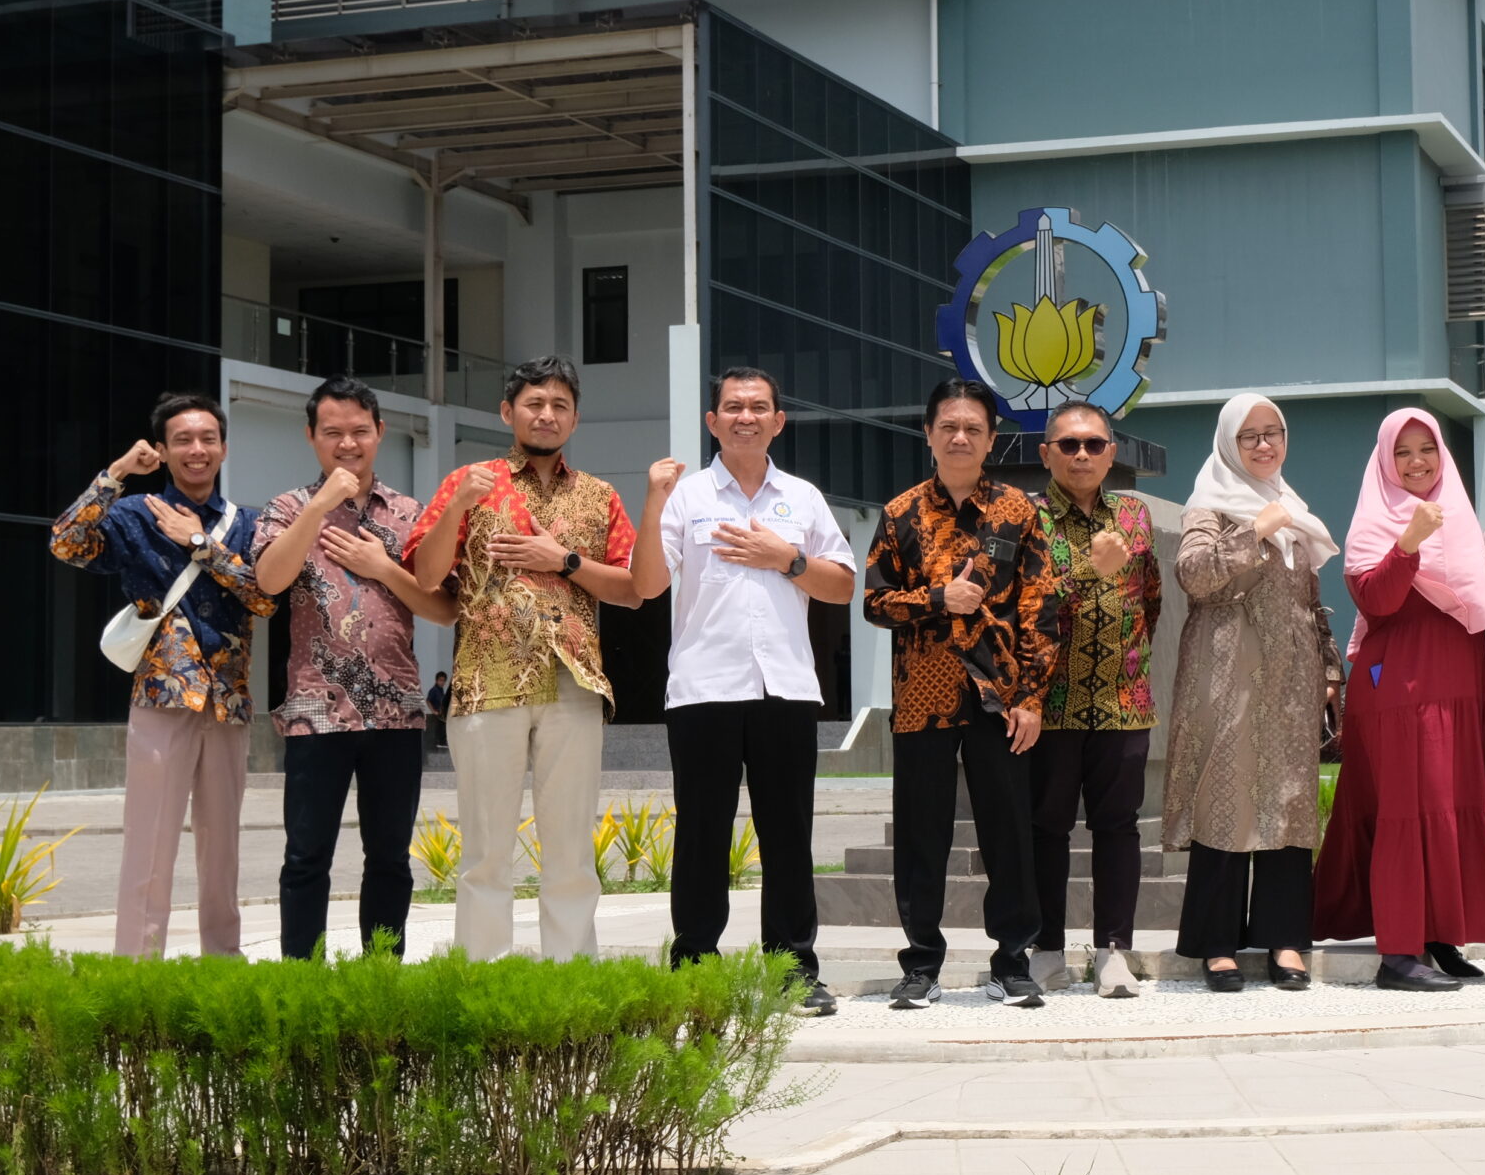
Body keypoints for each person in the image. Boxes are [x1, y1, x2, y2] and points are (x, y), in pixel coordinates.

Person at [634, 366, 857, 1017]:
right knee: (702, 834)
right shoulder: (687, 496)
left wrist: (783, 557)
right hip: (704, 686)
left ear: (778, 421)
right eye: (732, 407)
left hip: (785, 687)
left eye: (759, 407)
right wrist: (651, 501)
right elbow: (647, 585)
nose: (745, 417)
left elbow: (841, 585)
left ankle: (791, 970)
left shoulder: (804, 499)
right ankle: (696, 968)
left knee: (788, 833)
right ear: (713, 422)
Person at [407, 357, 638, 961]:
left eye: (560, 405)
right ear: (508, 412)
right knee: (485, 851)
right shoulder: (471, 480)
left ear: (575, 419)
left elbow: (632, 588)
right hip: (488, 683)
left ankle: (571, 977)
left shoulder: (599, 495)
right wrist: (457, 507)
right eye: (535, 403)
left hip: (574, 683)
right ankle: (484, 980)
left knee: (570, 849)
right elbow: (428, 577)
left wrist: (560, 559)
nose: (547, 414)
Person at [49, 392, 275, 958]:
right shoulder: (133, 515)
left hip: (228, 702)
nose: (196, 450)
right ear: (165, 450)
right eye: (183, 440)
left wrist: (198, 544)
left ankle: (222, 960)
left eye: (207, 439)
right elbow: (66, 543)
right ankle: (137, 965)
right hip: (160, 698)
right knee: (148, 842)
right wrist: (119, 472)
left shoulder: (248, 523)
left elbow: (265, 596)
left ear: (223, 447)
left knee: (221, 846)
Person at [862, 379, 1059, 1009]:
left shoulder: (1018, 513)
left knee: (1009, 832)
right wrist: (937, 598)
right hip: (921, 698)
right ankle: (920, 963)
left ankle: (1012, 960)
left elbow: (1042, 609)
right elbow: (872, 603)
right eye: (948, 426)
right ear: (928, 433)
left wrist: (1030, 697)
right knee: (922, 835)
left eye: (973, 428)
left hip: (999, 700)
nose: (960, 437)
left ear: (991, 440)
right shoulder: (899, 515)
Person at [250, 376, 456, 961]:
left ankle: (381, 977)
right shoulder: (287, 508)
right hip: (317, 713)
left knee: (390, 856)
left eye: (360, 431)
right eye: (333, 432)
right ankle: (302, 978)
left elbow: (445, 608)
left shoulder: (412, 514)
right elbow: (269, 580)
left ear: (380, 433)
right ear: (312, 436)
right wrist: (319, 507)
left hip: (397, 713)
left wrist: (384, 567)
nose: (348, 443)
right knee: (306, 855)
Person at [1312, 408, 1485, 991]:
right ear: (1384, 461)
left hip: (1460, 678)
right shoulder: (1375, 520)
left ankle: (1441, 936)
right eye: (1403, 451)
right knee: (1407, 809)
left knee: (1454, 799)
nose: (1417, 461)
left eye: (1427, 449)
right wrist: (1409, 543)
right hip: (1399, 683)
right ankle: (1398, 954)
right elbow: (1376, 601)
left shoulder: (1462, 514)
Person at [1163, 395, 1339, 992]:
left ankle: (1286, 940)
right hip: (1228, 677)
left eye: (1274, 434)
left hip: (1292, 682)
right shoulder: (1210, 506)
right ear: (1227, 445)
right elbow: (1194, 575)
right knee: (1228, 798)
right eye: (1250, 437)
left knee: (1289, 804)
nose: (1265, 446)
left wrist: (1331, 671)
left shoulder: (1294, 509)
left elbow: (1308, 603)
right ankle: (1218, 944)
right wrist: (1253, 534)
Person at [1028, 400, 1163, 1000]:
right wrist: (1088, 568)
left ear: (1112, 452)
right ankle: (1046, 950)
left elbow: (1149, 598)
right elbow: (1027, 607)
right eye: (1068, 445)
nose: (1081, 454)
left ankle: (1113, 952)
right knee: (1046, 830)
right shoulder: (1025, 516)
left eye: (1093, 444)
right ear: (1046, 453)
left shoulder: (1135, 514)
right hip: (1048, 703)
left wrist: (1129, 655)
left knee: (1119, 829)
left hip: (1122, 699)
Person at [426, 673, 451, 752]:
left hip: (442, 713)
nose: (442, 682)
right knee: (440, 727)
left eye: (443, 681)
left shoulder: (441, 690)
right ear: (436, 680)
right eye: (440, 680)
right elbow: (428, 701)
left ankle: (443, 741)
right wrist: (433, 711)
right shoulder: (434, 690)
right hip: (438, 714)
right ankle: (441, 742)